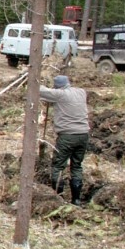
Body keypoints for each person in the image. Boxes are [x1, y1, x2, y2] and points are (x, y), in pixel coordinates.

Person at [39, 75, 90, 205]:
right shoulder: (81, 92)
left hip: (67, 136)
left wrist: (34, 78)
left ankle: (59, 199)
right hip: (84, 134)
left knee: (58, 166)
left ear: (57, 87)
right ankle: (76, 200)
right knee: (77, 166)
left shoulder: (60, 94)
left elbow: (39, 90)